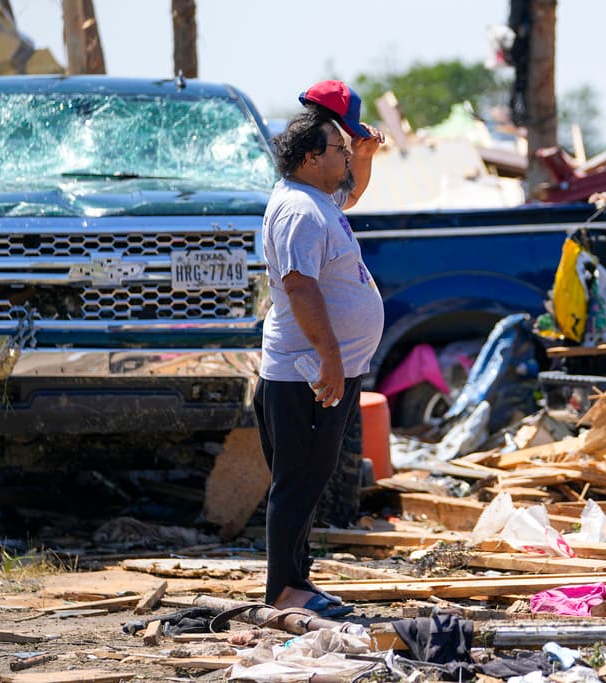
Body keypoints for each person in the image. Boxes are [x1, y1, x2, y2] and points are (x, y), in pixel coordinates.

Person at [254, 80, 385, 617]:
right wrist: (331, 358)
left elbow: (350, 195)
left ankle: (298, 583)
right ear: (312, 157)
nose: (347, 156)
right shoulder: (300, 211)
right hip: (306, 372)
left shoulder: (315, 200)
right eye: (340, 148)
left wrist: (366, 156)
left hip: (320, 369)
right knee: (297, 482)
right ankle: (284, 591)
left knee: (307, 481)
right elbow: (300, 286)